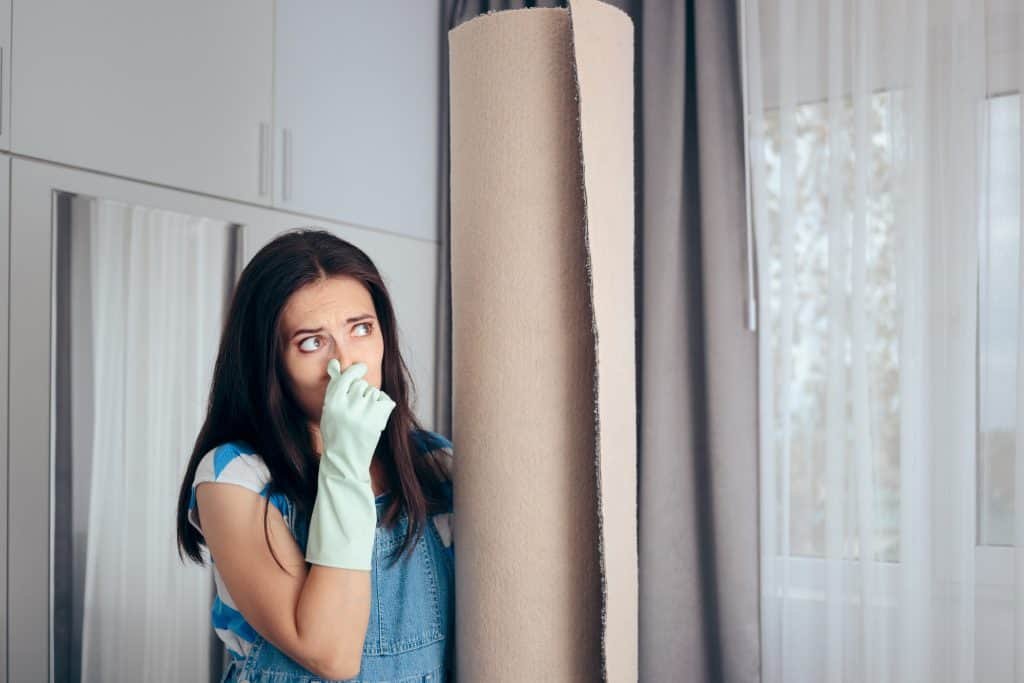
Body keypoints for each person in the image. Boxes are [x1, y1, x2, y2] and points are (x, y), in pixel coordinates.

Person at [175, 228, 455, 682]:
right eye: (311, 342)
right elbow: (331, 654)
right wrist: (345, 459)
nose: (346, 364)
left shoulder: (436, 465)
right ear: (270, 363)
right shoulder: (234, 479)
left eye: (361, 329)